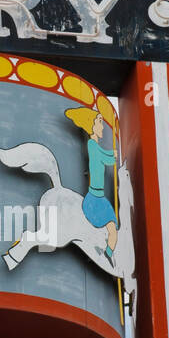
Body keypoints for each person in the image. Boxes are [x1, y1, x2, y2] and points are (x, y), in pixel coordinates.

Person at [65, 105, 118, 262]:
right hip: (95, 199)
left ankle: (107, 254)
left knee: (112, 230)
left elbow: (106, 157)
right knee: (112, 230)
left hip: (99, 197)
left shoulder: (95, 146)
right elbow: (105, 158)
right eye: (100, 122)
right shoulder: (92, 145)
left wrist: (111, 155)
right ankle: (106, 256)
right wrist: (112, 155)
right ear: (92, 125)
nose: (102, 126)